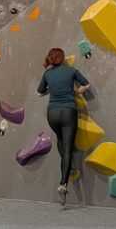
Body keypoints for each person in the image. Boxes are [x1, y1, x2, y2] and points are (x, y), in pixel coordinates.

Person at [36, 47, 90, 205]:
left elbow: (39, 93)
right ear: (63, 57)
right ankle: (63, 184)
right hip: (68, 111)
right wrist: (76, 92)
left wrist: (50, 90)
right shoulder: (71, 71)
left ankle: (67, 169)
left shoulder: (47, 74)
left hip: (52, 113)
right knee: (67, 149)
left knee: (60, 140)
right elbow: (86, 85)